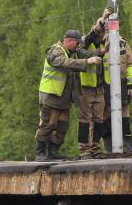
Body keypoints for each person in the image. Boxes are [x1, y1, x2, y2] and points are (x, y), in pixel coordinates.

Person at [36, 29, 101, 161]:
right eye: (77, 44)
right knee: (48, 124)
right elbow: (62, 63)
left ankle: (53, 152)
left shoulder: (72, 52)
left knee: (62, 126)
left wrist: (103, 49)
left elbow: (86, 51)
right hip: (51, 95)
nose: (78, 47)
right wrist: (87, 62)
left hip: (64, 98)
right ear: (69, 41)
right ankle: (40, 153)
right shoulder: (56, 50)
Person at [77, 10, 110, 159]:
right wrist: (102, 19)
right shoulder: (85, 42)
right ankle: (84, 150)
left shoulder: (105, 44)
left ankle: (95, 148)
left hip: (99, 88)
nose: (101, 36)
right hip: (85, 89)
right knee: (84, 119)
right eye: (99, 33)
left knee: (99, 119)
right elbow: (83, 52)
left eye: (103, 34)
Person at [101, 34, 132, 153]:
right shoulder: (97, 43)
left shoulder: (123, 43)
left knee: (124, 119)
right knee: (105, 120)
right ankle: (109, 150)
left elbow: (131, 65)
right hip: (103, 86)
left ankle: (129, 150)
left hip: (121, 85)